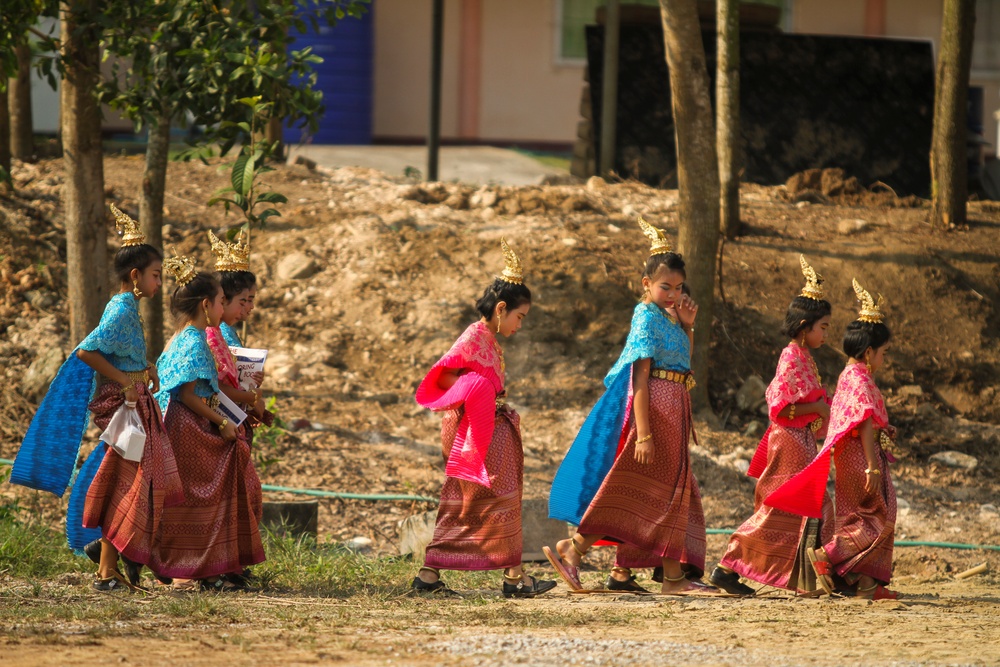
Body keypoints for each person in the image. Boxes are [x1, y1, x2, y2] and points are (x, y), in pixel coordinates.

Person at [11, 204, 183, 591]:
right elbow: (87, 351)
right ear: (136, 276)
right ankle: (106, 571)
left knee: (130, 486)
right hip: (127, 410)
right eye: (156, 276)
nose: (160, 283)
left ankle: (113, 562)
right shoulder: (121, 310)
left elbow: (122, 352)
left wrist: (146, 368)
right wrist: (125, 380)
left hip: (138, 404)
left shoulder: (127, 309)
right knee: (128, 486)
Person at [546, 217, 711, 595]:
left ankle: (668, 576)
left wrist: (687, 326)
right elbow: (640, 377)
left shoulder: (671, 318)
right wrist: (644, 435)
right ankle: (576, 548)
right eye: (664, 286)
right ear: (646, 285)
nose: (672, 293)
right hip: (652, 414)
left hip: (675, 412)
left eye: (679, 287)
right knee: (634, 490)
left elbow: (684, 364)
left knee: (662, 493)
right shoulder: (645, 316)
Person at [411, 239, 555, 598]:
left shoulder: (490, 341)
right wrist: (475, 396)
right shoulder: (474, 337)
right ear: (501, 308)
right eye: (519, 317)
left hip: (491, 433)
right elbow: (445, 383)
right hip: (474, 436)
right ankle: (432, 576)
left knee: (499, 502)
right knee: (467, 504)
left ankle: (513, 577)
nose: (520, 326)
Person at [765, 279, 899, 600]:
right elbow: (864, 421)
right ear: (869, 353)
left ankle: (865, 583)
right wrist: (871, 466)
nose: (884, 359)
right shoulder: (857, 377)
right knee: (879, 514)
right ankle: (829, 555)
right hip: (858, 457)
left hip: (849, 455)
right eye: (883, 353)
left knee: (859, 515)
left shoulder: (849, 375)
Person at [710, 256, 834, 596]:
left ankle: (810, 579)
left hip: (802, 441)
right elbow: (780, 408)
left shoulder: (805, 357)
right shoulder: (791, 356)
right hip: (789, 441)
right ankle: (727, 564)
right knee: (785, 506)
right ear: (805, 325)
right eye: (823, 327)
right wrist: (819, 406)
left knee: (807, 507)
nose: (826, 334)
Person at [150, 254, 265, 591]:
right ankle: (198, 568)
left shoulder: (190, 336)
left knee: (201, 497)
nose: (224, 307)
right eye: (220, 301)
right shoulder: (196, 339)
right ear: (207, 304)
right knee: (200, 499)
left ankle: (212, 567)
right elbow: (187, 394)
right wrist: (224, 422)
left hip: (190, 424)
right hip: (188, 427)